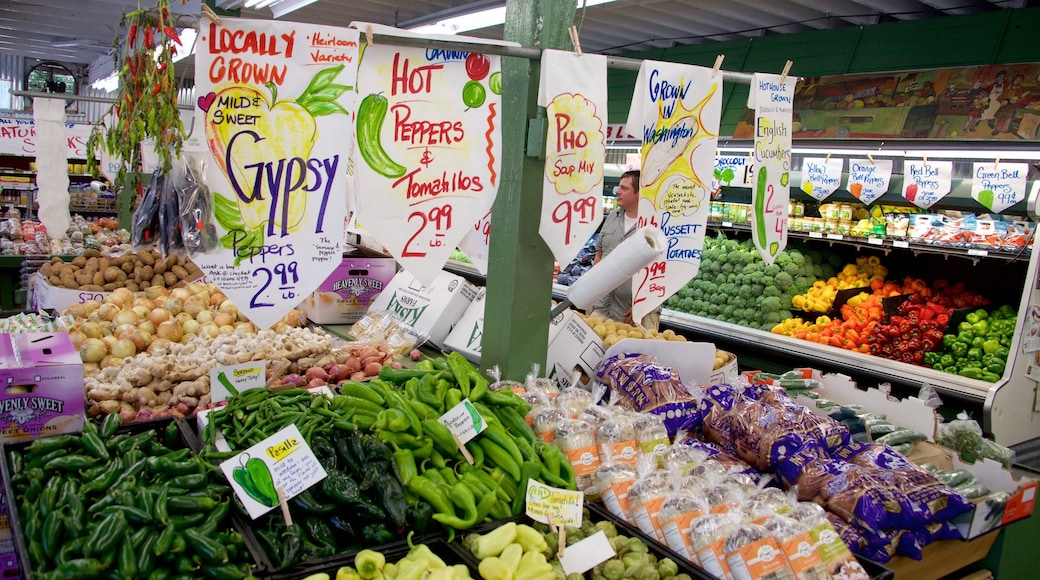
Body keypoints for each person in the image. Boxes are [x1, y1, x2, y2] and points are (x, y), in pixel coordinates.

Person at [588, 170, 661, 331]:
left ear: (639, 193)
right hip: (602, 306)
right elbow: (599, 253)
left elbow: (664, 273)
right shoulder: (613, 217)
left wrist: (643, 304)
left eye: (624, 188)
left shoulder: (655, 225)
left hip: (637, 315)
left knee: (634, 356)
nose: (617, 191)